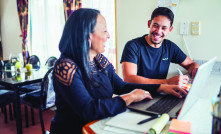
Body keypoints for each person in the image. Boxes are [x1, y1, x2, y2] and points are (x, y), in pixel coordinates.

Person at [49, 8, 187, 134]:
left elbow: (121, 86)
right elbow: (88, 110)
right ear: (87, 35)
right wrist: (130, 97)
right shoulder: (65, 66)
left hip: (100, 124)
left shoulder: (99, 60)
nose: (108, 35)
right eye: (104, 30)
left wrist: (162, 87)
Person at [121, 7, 199, 88]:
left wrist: (195, 71)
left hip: (159, 94)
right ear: (149, 24)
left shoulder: (170, 47)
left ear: (170, 30)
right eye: (155, 26)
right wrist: (167, 82)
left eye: (164, 28)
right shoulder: (132, 46)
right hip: (136, 96)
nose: (158, 31)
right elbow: (129, 78)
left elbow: (191, 64)